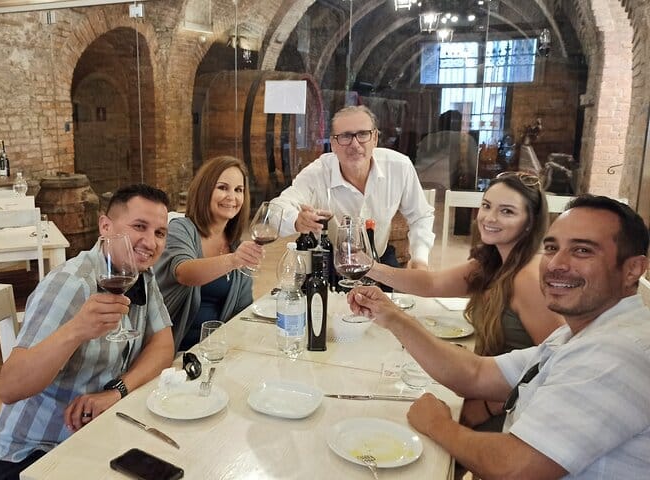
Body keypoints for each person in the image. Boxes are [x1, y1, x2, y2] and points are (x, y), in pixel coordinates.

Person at [349, 194, 650, 479]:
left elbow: (516, 468)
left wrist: (439, 425)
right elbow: (475, 373)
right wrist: (393, 317)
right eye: (551, 248)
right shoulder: (582, 333)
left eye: (582, 250)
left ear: (633, 269)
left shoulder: (617, 352)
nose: (556, 264)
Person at [0, 184, 175, 480]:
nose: (150, 242)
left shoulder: (140, 275)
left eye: (160, 233)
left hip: (94, 437)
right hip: (35, 455)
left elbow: (163, 345)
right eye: (139, 227)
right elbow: (9, 387)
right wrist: (76, 330)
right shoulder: (72, 284)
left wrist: (116, 391)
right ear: (105, 227)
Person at [367, 172, 564, 431]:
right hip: (482, 388)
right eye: (487, 206)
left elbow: (555, 363)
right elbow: (432, 283)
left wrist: (486, 407)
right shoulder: (494, 263)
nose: (489, 218)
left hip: (513, 413)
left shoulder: (528, 277)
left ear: (530, 222)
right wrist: (369, 267)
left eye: (506, 211)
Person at [271, 105, 435, 269]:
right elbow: (275, 209)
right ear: (333, 144)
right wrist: (296, 220)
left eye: (363, 134)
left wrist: (420, 260)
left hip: (378, 258)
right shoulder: (317, 173)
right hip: (330, 262)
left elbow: (420, 216)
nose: (355, 144)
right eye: (345, 136)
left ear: (375, 138)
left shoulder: (399, 167)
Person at [155, 156, 262, 351]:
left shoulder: (235, 245)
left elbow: (242, 309)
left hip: (215, 349)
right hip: (175, 350)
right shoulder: (182, 229)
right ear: (205, 190)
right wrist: (234, 260)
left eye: (238, 190)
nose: (232, 197)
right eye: (223, 188)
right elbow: (184, 273)